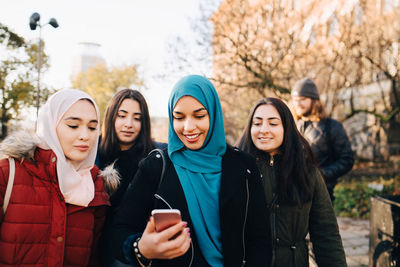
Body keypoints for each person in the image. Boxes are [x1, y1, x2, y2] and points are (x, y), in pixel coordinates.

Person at [111, 75, 271, 267]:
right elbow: (119, 231)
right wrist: (140, 248)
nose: (188, 127)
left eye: (199, 115)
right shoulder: (156, 166)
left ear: (213, 113)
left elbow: (260, 240)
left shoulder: (244, 166)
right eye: (179, 117)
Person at [0, 89, 118, 266]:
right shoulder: (8, 172)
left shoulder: (96, 185)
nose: (85, 135)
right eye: (73, 125)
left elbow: (93, 258)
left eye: (92, 127)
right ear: (50, 125)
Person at [237, 97, 347, 267]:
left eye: (273, 124)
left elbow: (326, 233)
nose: (263, 130)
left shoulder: (306, 171)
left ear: (286, 128)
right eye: (257, 123)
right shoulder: (237, 168)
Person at [96, 88, 166, 267]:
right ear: (111, 117)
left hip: (134, 253)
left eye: (137, 118)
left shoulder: (156, 157)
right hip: (94, 248)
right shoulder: (92, 152)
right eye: (122, 115)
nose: (129, 124)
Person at [291, 77, 354, 201]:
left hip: (322, 194)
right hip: (293, 194)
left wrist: (321, 175)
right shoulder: (290, 126)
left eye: (303, 99)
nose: (298, 103)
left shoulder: (332, 126)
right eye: (295, 100)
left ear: (314, 101)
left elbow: (347, 160)